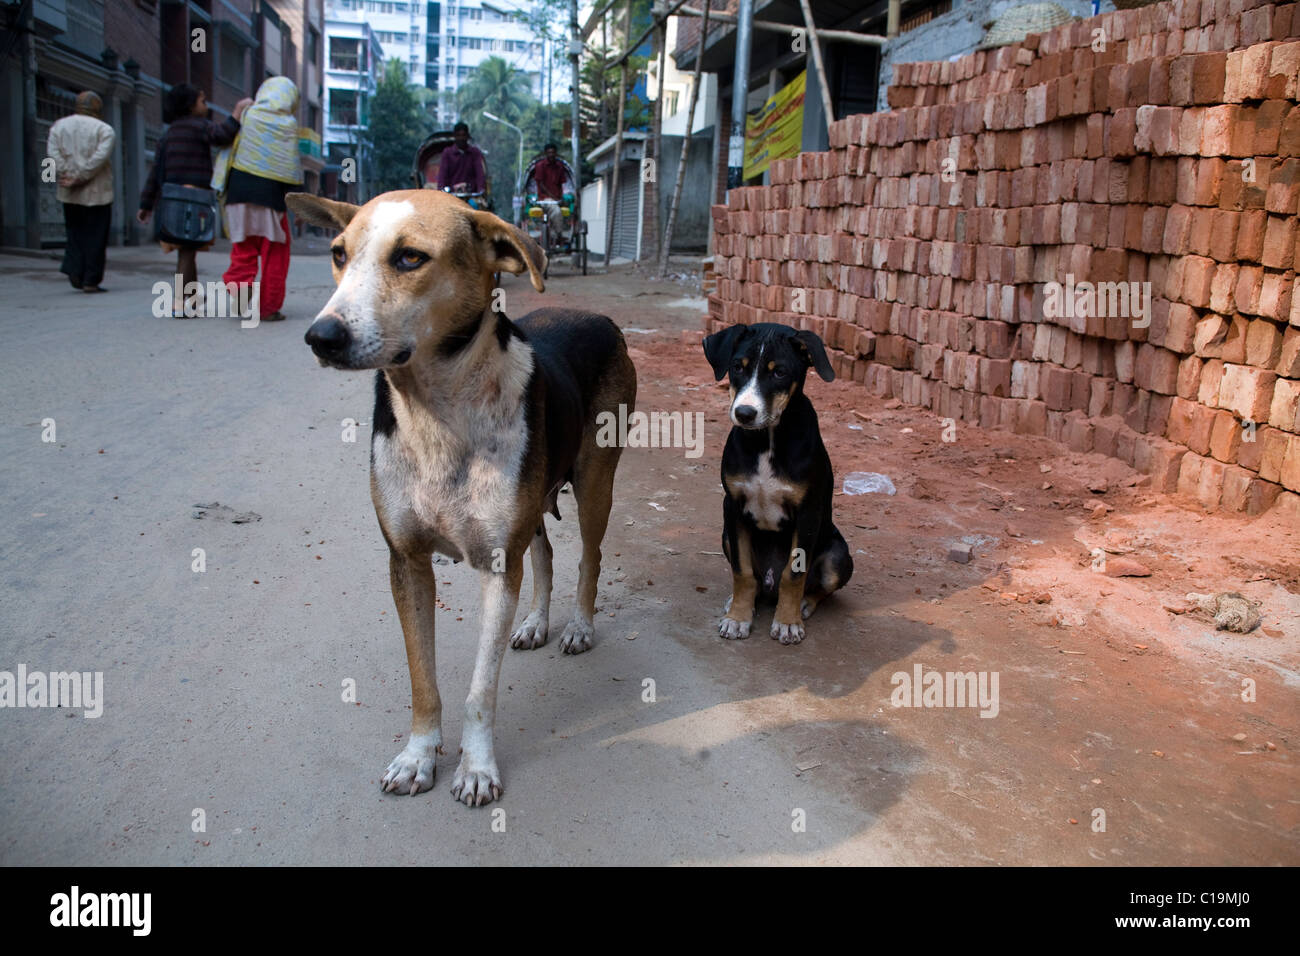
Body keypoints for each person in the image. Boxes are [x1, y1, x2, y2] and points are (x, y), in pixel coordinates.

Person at [137, 84, 252, 317]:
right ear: (190, 106)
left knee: (186, 249)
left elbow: (155, 173)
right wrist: (237, 112)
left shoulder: (168, 134)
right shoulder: (199, 127)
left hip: (171, 199)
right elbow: (221, 135)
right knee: (188, 249)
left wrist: (146, 204)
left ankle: (192, 297)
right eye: (202, 100)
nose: (205, 104)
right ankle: (180, 301)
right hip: (193, 200)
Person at [219, 76, 303, 323]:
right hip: (271, 200)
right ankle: (268, 308)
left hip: (238, 197)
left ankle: (241, 298)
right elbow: (290, 168)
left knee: (242, 249)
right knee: (275, 255)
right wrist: (298, 208)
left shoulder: (247, 115)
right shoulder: (287, 124)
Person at [47, 91, 116, 293]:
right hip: (97, 193)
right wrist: (81, 175)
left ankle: (75, 271)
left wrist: (68, 174)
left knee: (74, 233)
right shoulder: (105, 130)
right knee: (96, 236)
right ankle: (90, 280)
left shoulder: (58, 126)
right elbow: (99, 159)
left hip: (69, 190)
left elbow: (52, 155)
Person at [532, 142, 568, 247]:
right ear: (546, 153)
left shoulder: (560, 166)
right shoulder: (540, 166)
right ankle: (559, 234)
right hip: (544, 199)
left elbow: (561, 184)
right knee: (556, 212)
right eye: (549, 152)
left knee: (567, 210)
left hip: (557, 198)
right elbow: (541, 184)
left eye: (553, 152)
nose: (551, 154)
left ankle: (557, 234)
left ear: (556, 153)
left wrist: (560, 198)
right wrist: (553, 197)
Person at [437, 122, 486, 195]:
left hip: (470, 195)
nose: (461, 138)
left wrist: (480, 191)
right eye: (458, 135)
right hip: (451, 195)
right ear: (454, 136)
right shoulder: (447, 153)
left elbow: (480, 176)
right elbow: (442, 177)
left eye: (463, 135)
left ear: (467, 136)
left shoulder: (475, 153)